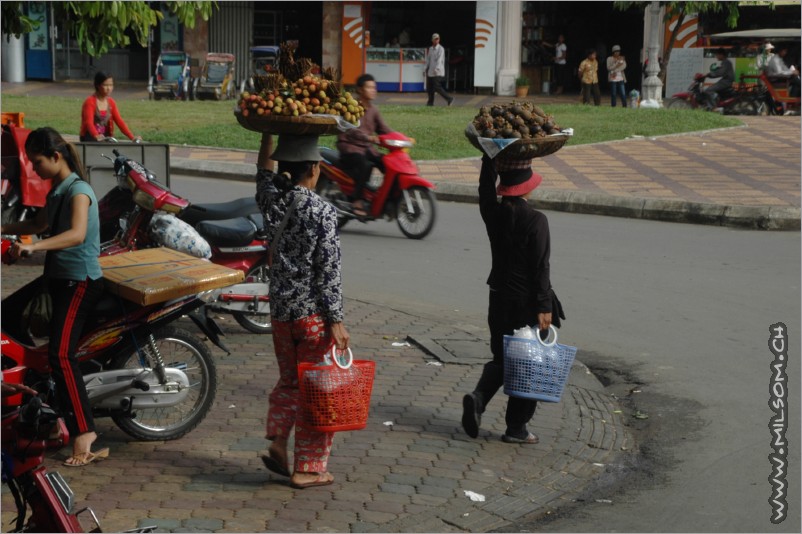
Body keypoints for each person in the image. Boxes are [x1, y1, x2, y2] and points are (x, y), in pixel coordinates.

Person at [0, 127, 107, 467]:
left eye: (37, 162)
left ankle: (84, 432)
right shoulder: (57, 190)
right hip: (56, 279)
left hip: (80, 281)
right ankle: (40, 400)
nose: (33, 169)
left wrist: (32, 248)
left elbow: (74, 234)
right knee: (6, 314)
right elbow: (39, 223)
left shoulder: (79, 191)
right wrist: (5, 230)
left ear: (56, 157)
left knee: (62, 355)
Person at [255, 134, 351, 490]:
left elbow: (262, 174)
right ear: (314, 168)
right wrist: (336, 320)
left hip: (280, 315)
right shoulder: (322, 211)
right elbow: (328, 272)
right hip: (312, 317)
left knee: (290, 382)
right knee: (316, 392)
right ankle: (308, 468)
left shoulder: (272, 201)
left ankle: (279, 441)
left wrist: (267, 134)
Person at [461, 155, 564, 444]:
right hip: (526, 303)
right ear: (526, 189)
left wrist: (489, 157)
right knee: (528, 361)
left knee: (502, 355)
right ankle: (516, 428)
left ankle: (479, 397)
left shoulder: (493, 214)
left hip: (498, 299)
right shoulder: (536, 220)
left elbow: (484, 188)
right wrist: (544, 305)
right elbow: (541, 267)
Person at [336, 73, 394, 217]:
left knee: (387, 163)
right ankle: (357, 200)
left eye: (374, 87)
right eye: (369, 87)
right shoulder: (351, 107)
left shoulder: (374, 110)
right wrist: (369, 138)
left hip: (366, 148)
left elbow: (384, 129)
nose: (373, 90)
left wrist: (399, 138)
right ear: (360, 90)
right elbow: (350, 130)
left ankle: (388, 198)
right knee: (365, 165)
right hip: (350, 147)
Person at [80, 71, 142, 142]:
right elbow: (89, 123)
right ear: (97, 85)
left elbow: (119, 121)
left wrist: (132, 137)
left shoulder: (111, 102)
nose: (109, 88)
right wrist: (96, 135)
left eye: (111, 85)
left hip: (105, 137)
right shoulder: (89, 102)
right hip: (90, 137)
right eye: (105, 85)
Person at [424, 33, 454, 107]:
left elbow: (440, 60)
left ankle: (449, 98)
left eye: (437, 39)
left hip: (437, 71)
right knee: (430, 87)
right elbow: (428, 60)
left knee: (437, 87)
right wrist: (424, 69)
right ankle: (430, 103)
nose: (436, 40)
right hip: (431, 71)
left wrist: (436, 68)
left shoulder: (441, 49)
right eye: (435, 39)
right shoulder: (430, 49)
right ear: (432, 40)